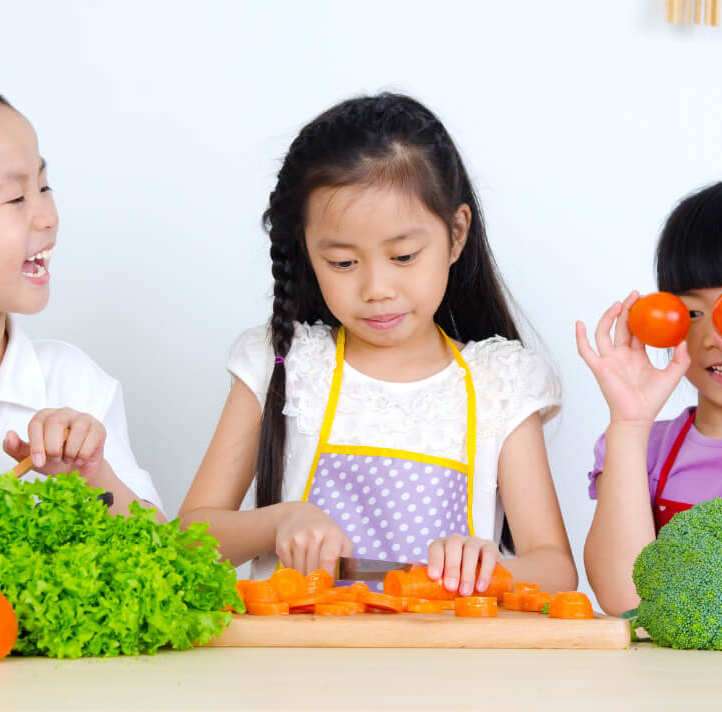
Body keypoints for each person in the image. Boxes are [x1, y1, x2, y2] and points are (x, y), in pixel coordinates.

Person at [180, 93, 575, 595]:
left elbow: (556, 570)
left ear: (456, 234)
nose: (376, 289)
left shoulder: (502, 382)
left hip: (449, 669)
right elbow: (188, 538)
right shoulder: (280, 362)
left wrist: (487, 567)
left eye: (404, 256)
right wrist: (279, 522)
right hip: (296, 670)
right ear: (306, 250)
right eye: (344, 263)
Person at [0, 78, 164, 519]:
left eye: (44, 187)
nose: (49, 216)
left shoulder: (75, 384)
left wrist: (94, 475)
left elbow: (165, 553)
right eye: (16, 197)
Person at [577, 178, 722, 615]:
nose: (717, 338)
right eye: (693, 312)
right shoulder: (645, 448)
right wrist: (629, 422)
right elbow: (624, 599)